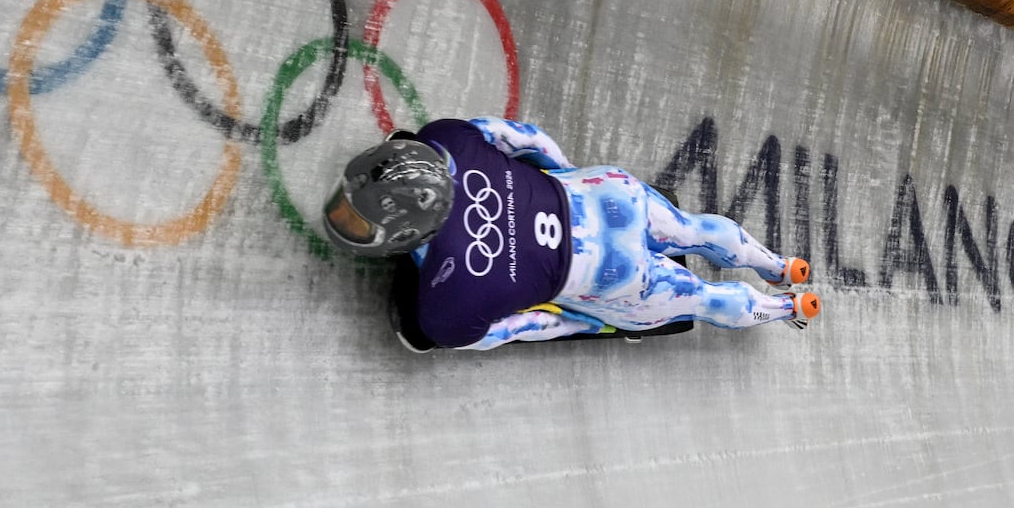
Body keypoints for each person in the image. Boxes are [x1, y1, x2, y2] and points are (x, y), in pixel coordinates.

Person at [321, 116, 820, 350]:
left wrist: (592, 324)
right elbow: (529, 137)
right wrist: (566, 177)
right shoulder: (447, 137)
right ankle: (781, 268)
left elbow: (531, 327)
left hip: (611, 277)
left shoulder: (446, 309)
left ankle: (786, 308)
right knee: (691, 230)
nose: (345, 216)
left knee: (703, 300)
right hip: (610, 197)